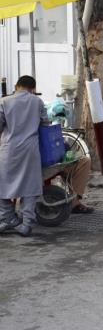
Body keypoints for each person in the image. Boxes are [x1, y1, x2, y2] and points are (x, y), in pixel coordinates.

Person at [0, 76, 47, 237]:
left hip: (9, 150)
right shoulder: (37, 101)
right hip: (30, 150)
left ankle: (8, 219)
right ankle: (27, 224)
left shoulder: (4, 102)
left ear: (16, 86)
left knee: (3, 185)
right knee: (30, 186)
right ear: (33, 88)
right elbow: (45, 123)